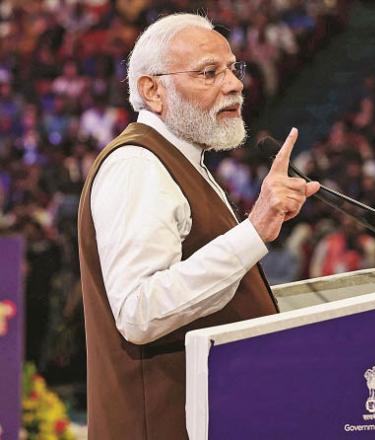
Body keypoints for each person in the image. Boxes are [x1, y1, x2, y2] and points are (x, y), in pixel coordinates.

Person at [77, 13, 319, 439]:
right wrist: (254, 232)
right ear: (152, 91)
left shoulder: (183, 160)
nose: (235, 84)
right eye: (210, 73)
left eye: (233, 68)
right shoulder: (138, 165)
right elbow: (139, 310)